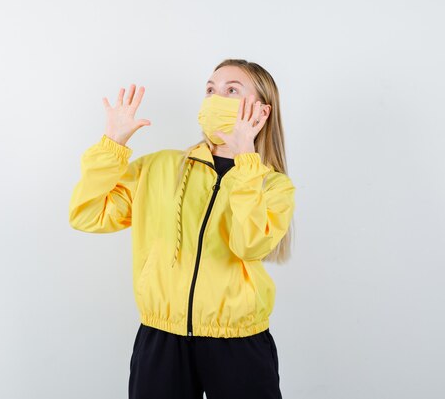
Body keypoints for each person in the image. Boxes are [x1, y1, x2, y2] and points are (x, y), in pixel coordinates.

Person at [69, 59, 296, 399]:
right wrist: (112, 145)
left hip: (238, 341)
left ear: (261, 113)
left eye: (231, 90)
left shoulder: (274, 186)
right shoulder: (159, 167)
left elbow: (249, 245)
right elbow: (87, 214)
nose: (215, 97)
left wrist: (246, 162)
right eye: (210, 89)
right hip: (161, 338)